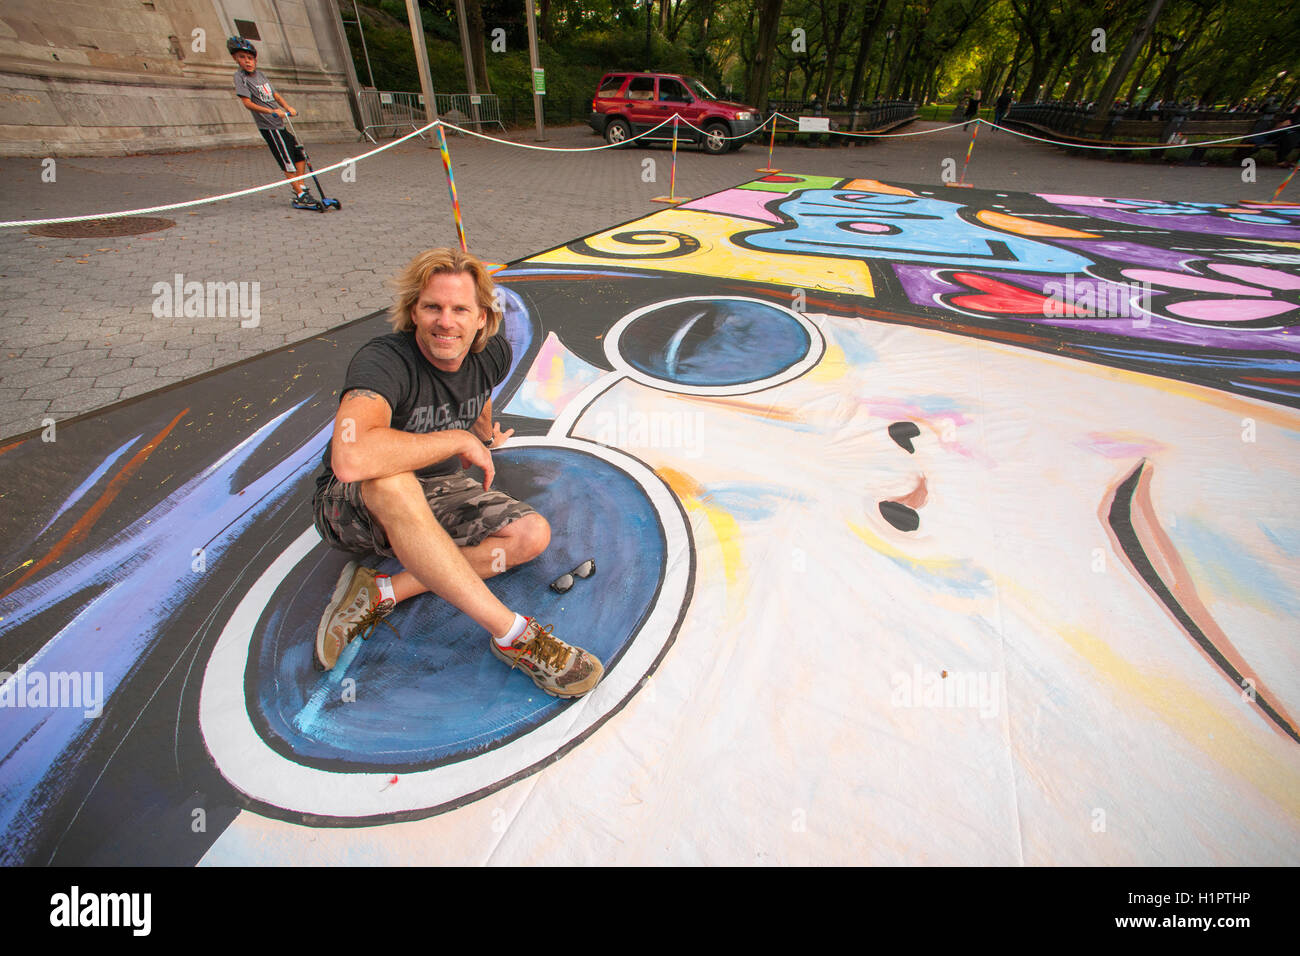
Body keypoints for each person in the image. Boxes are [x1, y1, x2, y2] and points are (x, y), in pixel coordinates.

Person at [310, 247, 604, 698]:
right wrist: (457, 440)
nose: (445, 322)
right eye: (432, 307)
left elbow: (479, 391)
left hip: (437, 487)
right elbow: (350, 458)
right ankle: (515, 636)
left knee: (531, 536)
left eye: (459, 309)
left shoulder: (492, 354)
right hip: (352, 504)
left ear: (483, 319)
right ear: (413, 312)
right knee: (392, 478)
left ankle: (383, 590)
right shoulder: (385, 360)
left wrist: (484, 435)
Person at [228, 36, 318, 210]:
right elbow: (247, 103)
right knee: (287, 160)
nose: (247, 61)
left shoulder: (261, 75)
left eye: (250, 58)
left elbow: (275, 95)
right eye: (242, 57)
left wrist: (287, 107)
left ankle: (301, 187)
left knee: (300, 154)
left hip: (280, 124)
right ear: (235, 59)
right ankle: (300, 194)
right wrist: (272, 111)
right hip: (269, 127)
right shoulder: (240, 78)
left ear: (255, 59)